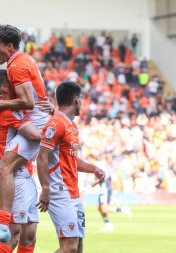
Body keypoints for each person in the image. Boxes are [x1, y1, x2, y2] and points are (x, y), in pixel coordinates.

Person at [0, 24, 53, 243]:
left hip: (38, 123)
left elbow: (28, 102)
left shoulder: (16, 66)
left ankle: (1, 221)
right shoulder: (25, 59)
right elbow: (36, 98)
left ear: (9, 45)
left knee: (4, 167)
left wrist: (0, 104)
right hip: (41, 121)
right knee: (27, 236)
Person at [0, 69, 39, 253]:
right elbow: (35, 135)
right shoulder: (7, 111)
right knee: (13, 235)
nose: (17, 87)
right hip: (15, 177)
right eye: (12, 84)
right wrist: (54, 129)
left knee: (29, 235)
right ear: (4, 88)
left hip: (25, 175)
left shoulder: (3, 107)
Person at [37, 81, 105, 253]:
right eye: (81, 98)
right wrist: (45, 188)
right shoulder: (56, 124)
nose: (81, 102)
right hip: (59, 191)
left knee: (78, 247)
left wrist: (93, 169)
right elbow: (42, 157)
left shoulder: (71, 126)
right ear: (76, 100)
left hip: (73, 193)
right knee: (69, 248)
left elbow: (72, 160)